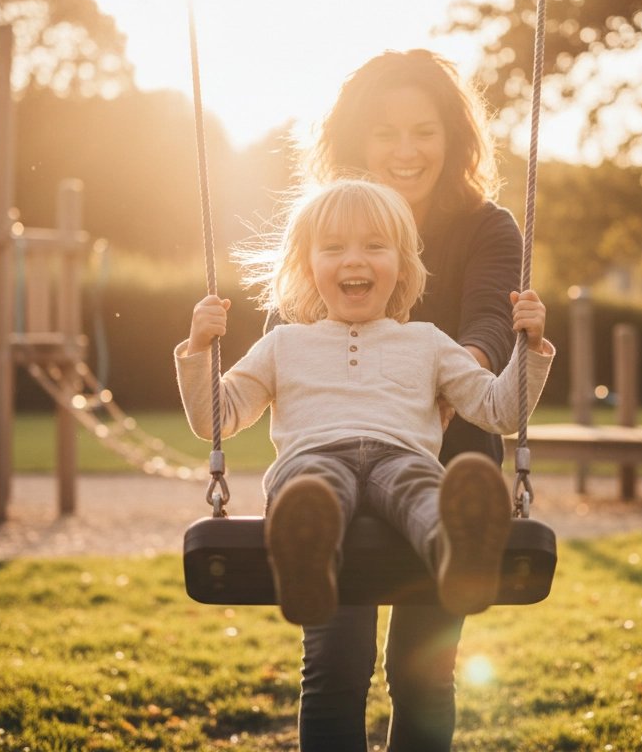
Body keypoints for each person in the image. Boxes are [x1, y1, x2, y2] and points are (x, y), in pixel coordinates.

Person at [176, 179, 553, 622]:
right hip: (312, 459)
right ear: (307, 266)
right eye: (333, 247)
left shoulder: (427, 342)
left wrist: (530, 346)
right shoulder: (283, 344)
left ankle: (461, 557)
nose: (354, 259)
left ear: (402, 265)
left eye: (375, 245)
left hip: (402, 458)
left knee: (425, 490)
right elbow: (215, 421)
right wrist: (199, 349)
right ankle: (308, 566)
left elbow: (498, 410)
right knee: (314, 493)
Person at [294, 48, 527, 751]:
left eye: (424, 130)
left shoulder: (488, 227)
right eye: (385, 133)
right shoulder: (325, 220)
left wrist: (460, 376)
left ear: (453, 137)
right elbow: (293, 314)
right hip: (334, 466)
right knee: (335, 666)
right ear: (356, 140)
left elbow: (490, 318)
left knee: (422, 672)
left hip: (448, 475)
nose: (406, 151)